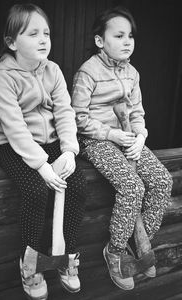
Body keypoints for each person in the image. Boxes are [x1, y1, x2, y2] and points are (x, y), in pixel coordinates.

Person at [71, 6, 173, 291]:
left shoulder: (133, 73)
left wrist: (140, 136)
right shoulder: (88, 72)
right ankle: (115, 251)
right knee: (133, 186)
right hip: (96, 139)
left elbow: (137, 111)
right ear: (100, 40)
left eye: (130, 36)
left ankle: (139, 244)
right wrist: (110, 133)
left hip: (128, 136)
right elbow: (77, 117)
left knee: (162, 180)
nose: (127, 41)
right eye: (119, 35)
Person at [0, 3, 86, 300]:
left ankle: (67, 256)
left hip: (53, 142)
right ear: (11, 42)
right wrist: (43, 166)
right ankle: (30, 265)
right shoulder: (3, 76)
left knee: (78, 186)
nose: (44, 39)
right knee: (35, 191)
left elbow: (66, 113)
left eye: (46, 32)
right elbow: (15, 129)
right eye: (33, 34)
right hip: (14, 146)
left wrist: (69, 151)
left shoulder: (53, 70)